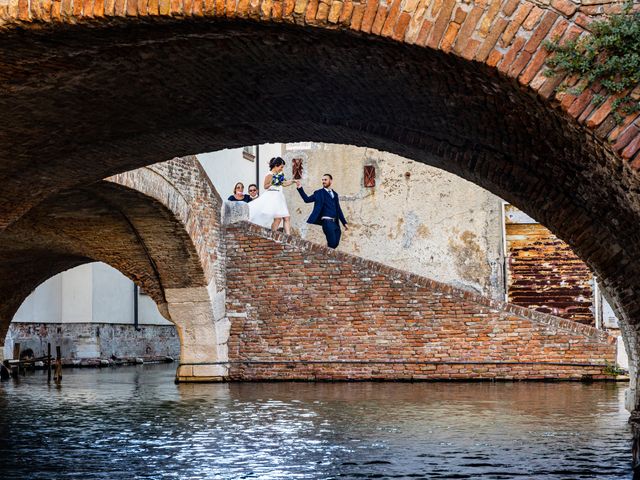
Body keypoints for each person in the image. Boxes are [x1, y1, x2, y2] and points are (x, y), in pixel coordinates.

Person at [295, 173, 348, 249]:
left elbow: (338, 209)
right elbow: (306, 200)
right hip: (327, 222)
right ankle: (324, 256)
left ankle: (323, 252)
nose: (323, 181)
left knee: (335, 244)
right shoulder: (319, 193)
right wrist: (299, 188)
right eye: (322, 180)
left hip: (335, 223)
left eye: (325, 180)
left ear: (331, 181)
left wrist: (344, 223)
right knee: (332, 243)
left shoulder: (335, 194)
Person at [249, 157, 296, 234]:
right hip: (272, 196)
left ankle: (287, 235)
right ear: (276, 165)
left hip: (279, 196)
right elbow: (265, 186)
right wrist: (273, 182)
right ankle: (273, 234)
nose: (282, 169)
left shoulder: (279, 175)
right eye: (281, 167)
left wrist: (293, 181)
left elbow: (284, 183)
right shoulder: (269, 174)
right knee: (278, 219)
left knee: (285, 217)